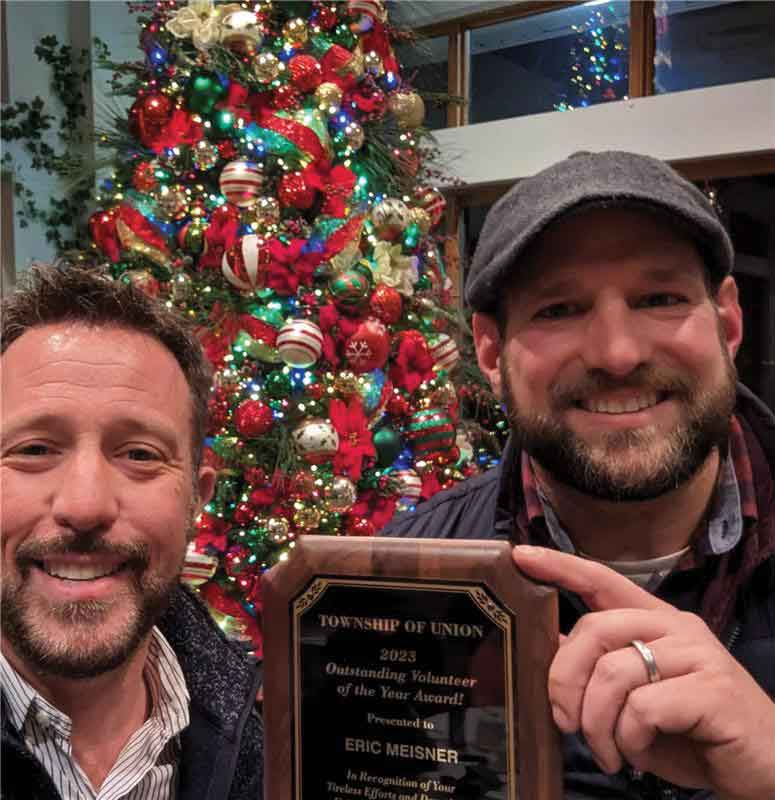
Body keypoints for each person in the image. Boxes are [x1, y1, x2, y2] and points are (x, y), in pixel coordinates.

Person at [381, 151, 775, 799]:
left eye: (659, 299)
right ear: (489, 351)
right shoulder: (402, 582)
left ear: (728, 322)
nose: (617, 354)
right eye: (558, 309)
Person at [1, 265, 263, 800]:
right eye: (35, 449)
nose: (85, 505)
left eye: (140, 455)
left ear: (196, 497)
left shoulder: (278, 754)